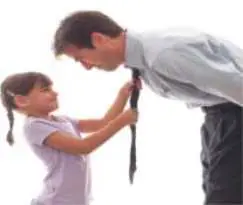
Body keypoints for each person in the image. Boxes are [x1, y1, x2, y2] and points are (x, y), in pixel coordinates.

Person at [52, 10, 243, 205]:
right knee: (220, 190)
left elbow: (238, 85)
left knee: (226, 197)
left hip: (235, 112)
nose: (86, 66)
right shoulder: (146, 58)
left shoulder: (162, 54)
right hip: (219, 114)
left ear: (99, 39)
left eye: (81, 58)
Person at [0, 71, 138, 205]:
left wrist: (123, 95)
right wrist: (121, 121)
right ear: (22, 100)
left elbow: (103, 123)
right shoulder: (34, 126)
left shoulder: (63, 120)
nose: (55, 93)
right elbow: (84, 147)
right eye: (45, 90)